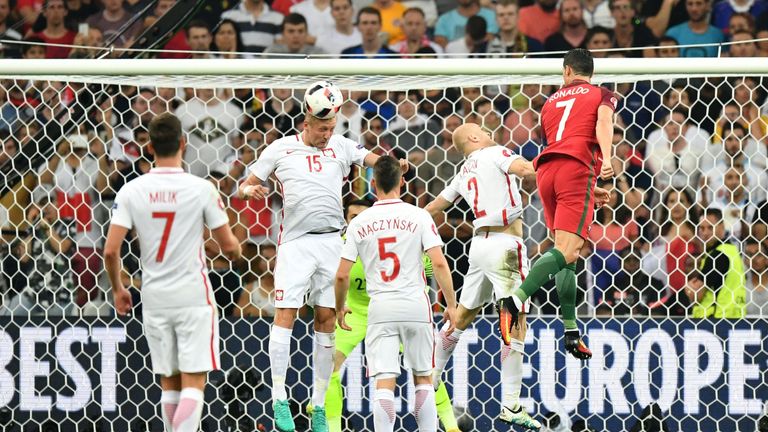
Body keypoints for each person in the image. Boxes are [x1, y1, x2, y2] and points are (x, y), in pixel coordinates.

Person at [237, 82, 408, 432]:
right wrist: (249, 189)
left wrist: (395, 163)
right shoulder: (280, 149)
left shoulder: (342, 145)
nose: (327, 135)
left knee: (326, 318)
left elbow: (377, 161)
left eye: (331, 128)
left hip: (332, 244)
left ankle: (317, 405)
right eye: (322, 129)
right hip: (296, 244)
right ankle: (279, 398)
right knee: (285, 314)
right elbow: (244, 183)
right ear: (306, 121)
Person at [104, 112, 242, 432]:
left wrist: (118, 289)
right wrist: (233, 250)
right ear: (183, 144)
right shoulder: (201, 189)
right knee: (194, 382)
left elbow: (111, 250)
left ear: (149, 148)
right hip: (193, 293)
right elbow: (230, 246)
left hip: (154, 296)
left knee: (170, 383)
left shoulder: (131, 191)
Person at [423, 122, 540, 430]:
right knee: (515, 317)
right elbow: (525, 169)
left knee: (461, 317)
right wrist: (556, 171)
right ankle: (511, 403)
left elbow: (437, 205)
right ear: (475, 138)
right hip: (505, 244)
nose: (489, 131)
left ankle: (430, 380)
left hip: (478, 246)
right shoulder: (495, 152)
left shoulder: (464, 170)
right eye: (483, 129)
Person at [500, 48, 614, 360]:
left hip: (546, 172)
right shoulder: (601, 93)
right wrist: (606, 159)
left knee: (567, 253)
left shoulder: (549, 103)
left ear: (566, 72)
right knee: (566, 250)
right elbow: (602, 123)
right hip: (577, 168)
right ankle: (515, 301)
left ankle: (570, 328)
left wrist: (588, 190)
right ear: (590, 72)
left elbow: (558, 140)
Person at [334, 155, 458, 432]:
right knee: (424, 379)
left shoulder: (359, 222)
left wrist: (340, 307)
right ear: (402, 181)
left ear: (373, 183)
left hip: (381, 308)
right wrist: (451, 304)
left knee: (384, 384)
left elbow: (341, 274)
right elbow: (438, 262)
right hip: (416, 305)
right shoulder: (419, 216)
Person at [688, 208, 747, 318]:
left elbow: (695, 296)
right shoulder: (732, 251)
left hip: (715, 321)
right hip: (735, 318)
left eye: (710, 227)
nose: (705, 233)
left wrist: (688, 286)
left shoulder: (716, 256)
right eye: (701, 228)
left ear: (722, 227)